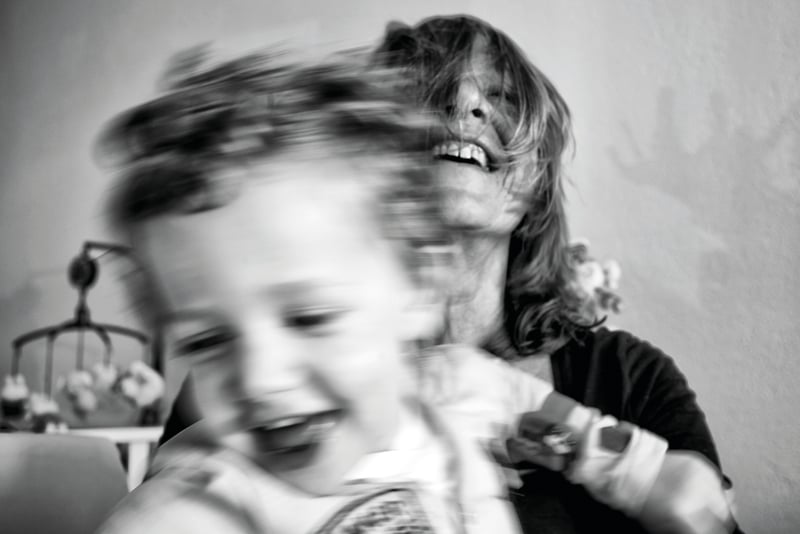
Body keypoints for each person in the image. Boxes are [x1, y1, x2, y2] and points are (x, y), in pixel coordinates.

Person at [95, 49, 676, 534]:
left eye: (310, 317)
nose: (260, 377)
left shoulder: (454, 428)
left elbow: (559, 427)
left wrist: (635, 467)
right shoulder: (199, 507)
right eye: (208, 339)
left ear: (422, 284)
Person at [372, 14, 742, 534]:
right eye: (430, 93)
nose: (466, 106)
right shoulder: (302, 376)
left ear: (535, 181)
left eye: (500, 96)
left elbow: (700, 511)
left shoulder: (629, 377)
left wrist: (529, 418)